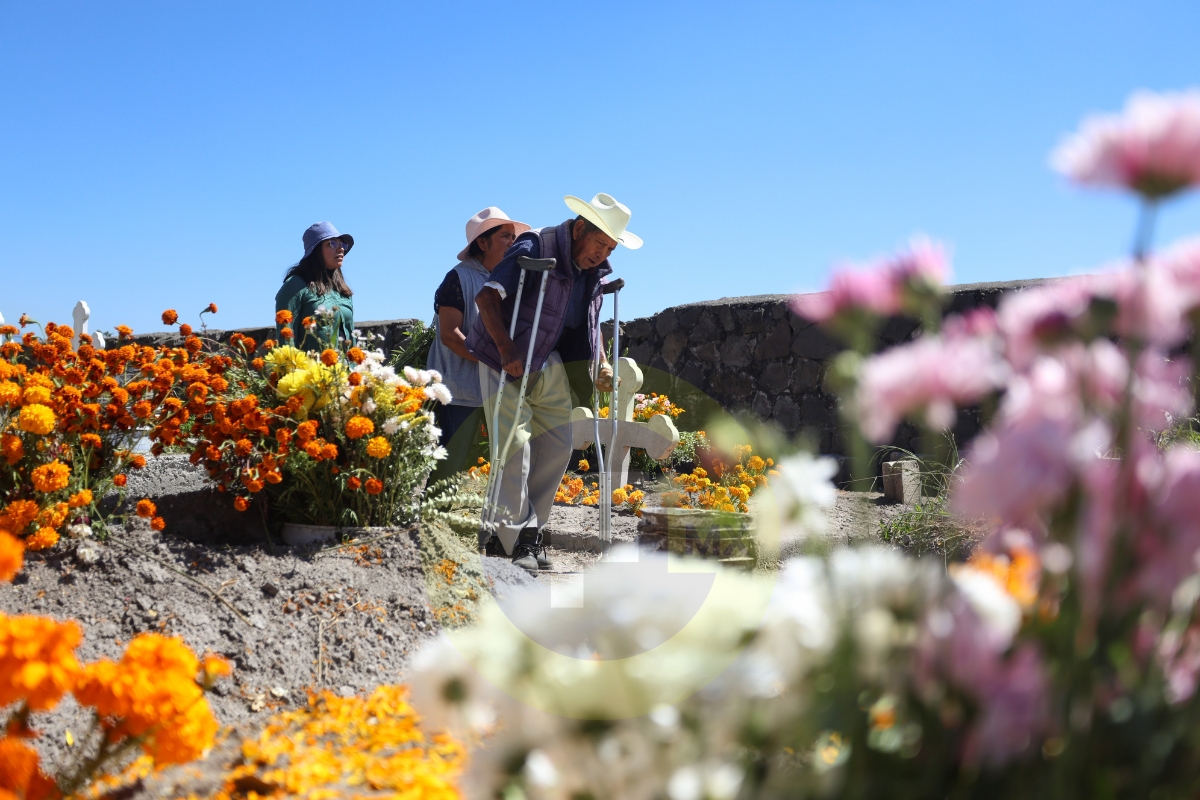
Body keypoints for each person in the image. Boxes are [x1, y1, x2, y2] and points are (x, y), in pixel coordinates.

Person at [466, 193, 642, 573]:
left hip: (547, 363)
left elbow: (589, 326)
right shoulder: (535, 246)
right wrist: (507, 349)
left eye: (610, 248)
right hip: (506, 358)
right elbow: (486, 297)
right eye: (599, 243)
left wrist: (600, 365)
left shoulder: (595, 274)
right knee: (515, 450)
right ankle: (521, 539)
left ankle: (517, 536)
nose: (602, 254)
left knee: (559, 445)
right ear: (579, 228)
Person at [426, 208, 530, 484]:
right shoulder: (459, 277)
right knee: (451, 465)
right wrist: (493, 360)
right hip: (459, 391)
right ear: (483, 243)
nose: (512, 242)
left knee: (486, 466)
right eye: (505, 236)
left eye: (513, 237)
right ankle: (434, 521)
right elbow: (450, 334)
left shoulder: (508, 281)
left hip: (494, 389)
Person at [276, 222, 355, 352]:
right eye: (332, 243)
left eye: (342, 244)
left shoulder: (343, 290)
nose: (341, 248)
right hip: (312, 370)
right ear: (316, 250)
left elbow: (351, 338)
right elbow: (286, 341)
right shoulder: (295, 285)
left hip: (344, 371)